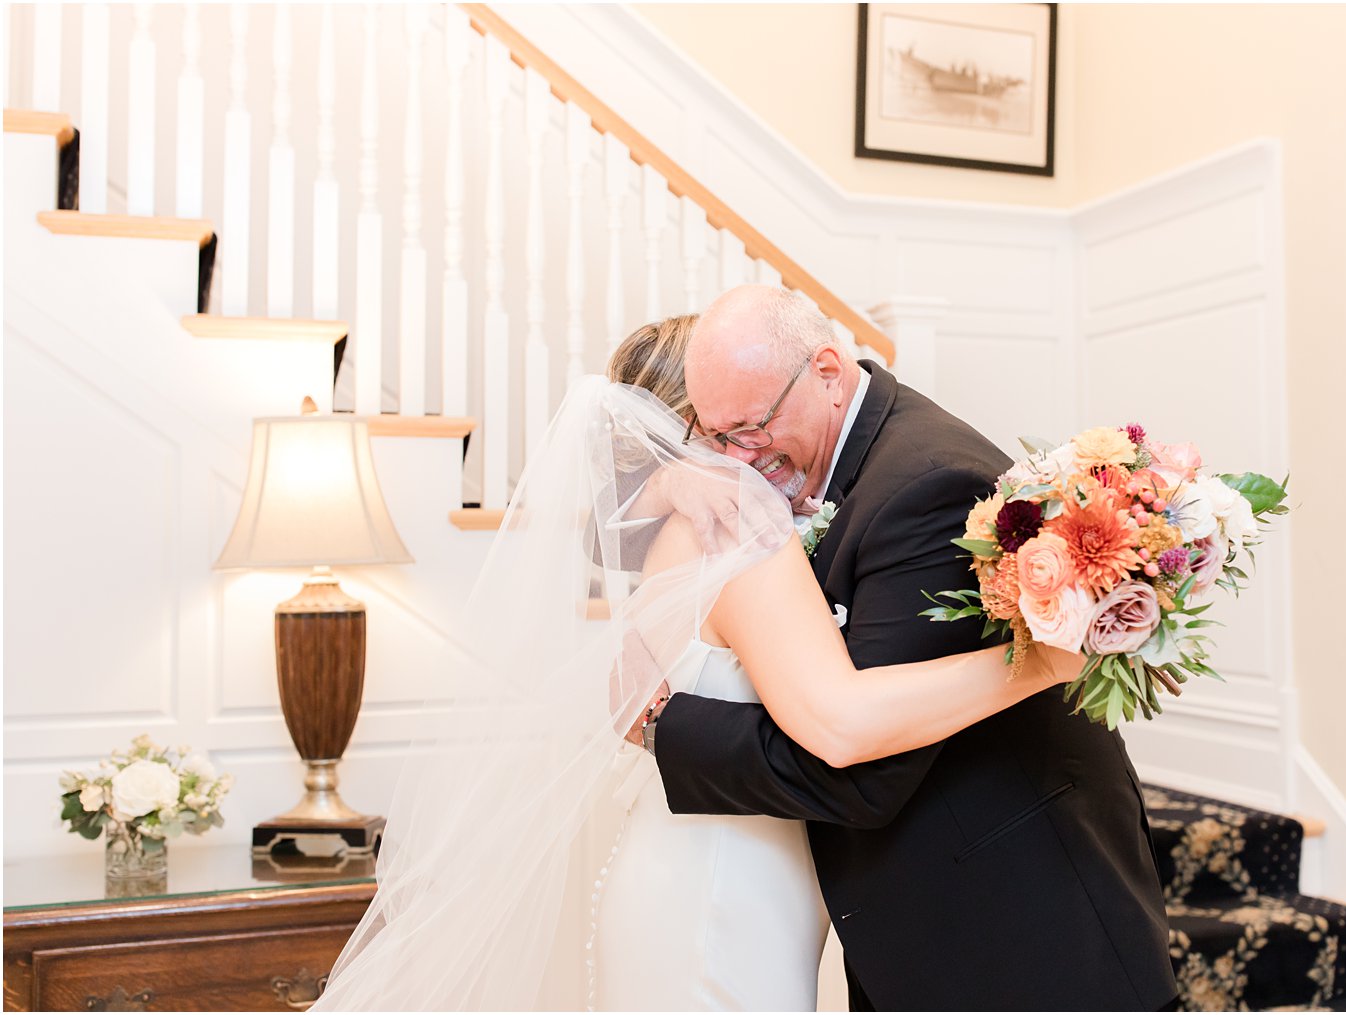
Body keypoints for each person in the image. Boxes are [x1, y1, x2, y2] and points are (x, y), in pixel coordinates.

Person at [313, 313, 1081, 1011]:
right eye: (732, 427)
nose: (753, 447)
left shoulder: (682, 520)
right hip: (723, 887)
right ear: (692, 429)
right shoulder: (738, 528)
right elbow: (838, 721)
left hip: (698, 864)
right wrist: (1043, 663)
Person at [631, 286, 1179, 1011]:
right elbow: (599, 526)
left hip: (1018, 933)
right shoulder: (778, 472)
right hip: (917, 926)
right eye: (715, 437)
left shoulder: (927, 487)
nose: (738, 457)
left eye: (751, 429)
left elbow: (857, 772)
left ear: (827, 372)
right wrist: (665, 481)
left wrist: (663, 725)